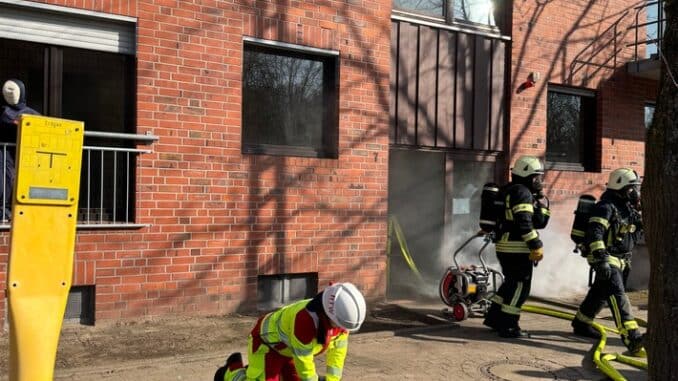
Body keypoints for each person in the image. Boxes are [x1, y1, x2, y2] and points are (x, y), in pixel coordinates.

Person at [216, 282, 367, 381]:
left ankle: (257, 370)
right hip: (266, 345)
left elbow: (337, 354)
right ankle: (231, 370)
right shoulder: (304, 320)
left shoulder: (340, 321)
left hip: (289, 351)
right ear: (329, 314)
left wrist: (332, 380)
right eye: (340, 325)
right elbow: (304, 360)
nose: (342, 330)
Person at [570, 168, 645, 356]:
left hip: (622, 259)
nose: (636, 192)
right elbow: (595, 233)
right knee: (617, 296)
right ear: (622, 187)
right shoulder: (606, 206)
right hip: (607, 258)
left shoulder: (626, 207)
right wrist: (602, 259)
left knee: (600, 293)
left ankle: (582, 322)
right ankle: (631, 336)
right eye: (633, 188)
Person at [483, 155, 550, 338]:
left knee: (510, 284)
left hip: (505, 245)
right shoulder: (522, 192)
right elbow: (525, 223)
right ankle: (509, 325)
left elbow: (538, 221)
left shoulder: (509, 190)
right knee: (520, 286)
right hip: (517, 247)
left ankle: (494, 318)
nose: (540, 181)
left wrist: (540, 200)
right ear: (528, 175)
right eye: (537, 177)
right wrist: (535, 244)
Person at [1, 79, 40, 221]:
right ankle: (3, 210)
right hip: (6, 154)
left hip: (26, 155)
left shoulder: (31, 113)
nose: (10, 93)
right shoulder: (4, 112)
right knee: (6, 179)